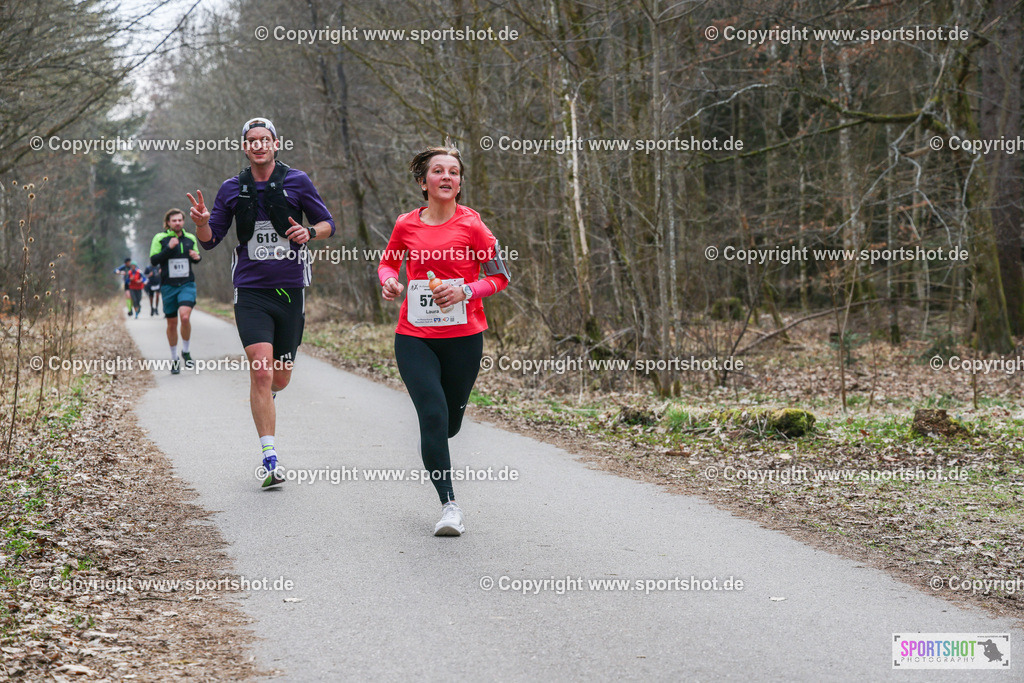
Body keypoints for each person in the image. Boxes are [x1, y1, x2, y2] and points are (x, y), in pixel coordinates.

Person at [187, 117, 335, 489]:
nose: (258, 145)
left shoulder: (297, 181)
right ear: (244, 146)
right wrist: (202, 222)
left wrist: (309, 231)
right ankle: (270, 458)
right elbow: (209, 240)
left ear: (275, 143)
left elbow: (327, 223)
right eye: (251, 140)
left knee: (279, 379)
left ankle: (266, 394)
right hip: (250, 292)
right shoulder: (231, 188)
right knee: (262, 370)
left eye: (264, 140)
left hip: (290, 290)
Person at [378, 143, 510, 536]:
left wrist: (466, 291)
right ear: (423, 181)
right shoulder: (407, 223)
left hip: (464, 338)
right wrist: (389, 281)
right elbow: (388, 261)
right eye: (438, 171)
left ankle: (442, 435)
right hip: (414, 336)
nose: (447, 177)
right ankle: (449, 506)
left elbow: (499, 277)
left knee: (449, 424)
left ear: (460, 182)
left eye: (453, 172)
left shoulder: (473, 225)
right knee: (433, 416)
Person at [150, 208, 202, 375]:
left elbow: (197, 258)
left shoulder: (190, 238)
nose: (177, 223)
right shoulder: (160, 238)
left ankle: (185, 351)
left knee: (185, 317)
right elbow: (154, 260)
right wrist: (169, 248)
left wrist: (197, 257)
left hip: (187, 284)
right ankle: (174, 358)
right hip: (168, 286)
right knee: (171, 324)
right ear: (168, 223)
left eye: (180, 220)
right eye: (174, 220)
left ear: (183, 221)